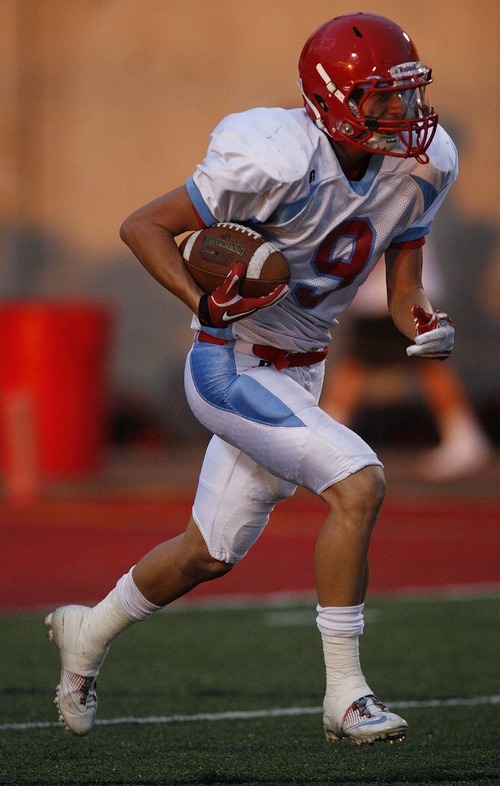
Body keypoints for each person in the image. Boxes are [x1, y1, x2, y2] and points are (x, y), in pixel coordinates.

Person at [45, 12, 457, 745]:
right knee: (359, 482)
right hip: (229, 360)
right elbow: (143, 226)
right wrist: (205, 300)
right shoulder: (274, 156)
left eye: (405, 94)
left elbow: (403, 291)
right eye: (381, 98)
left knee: (209, 550)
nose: (403, 112)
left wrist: (423, 321)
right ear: (333, 100)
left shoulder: (421, 165)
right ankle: (346, 695)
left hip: (303, 370)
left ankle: (89, 630)